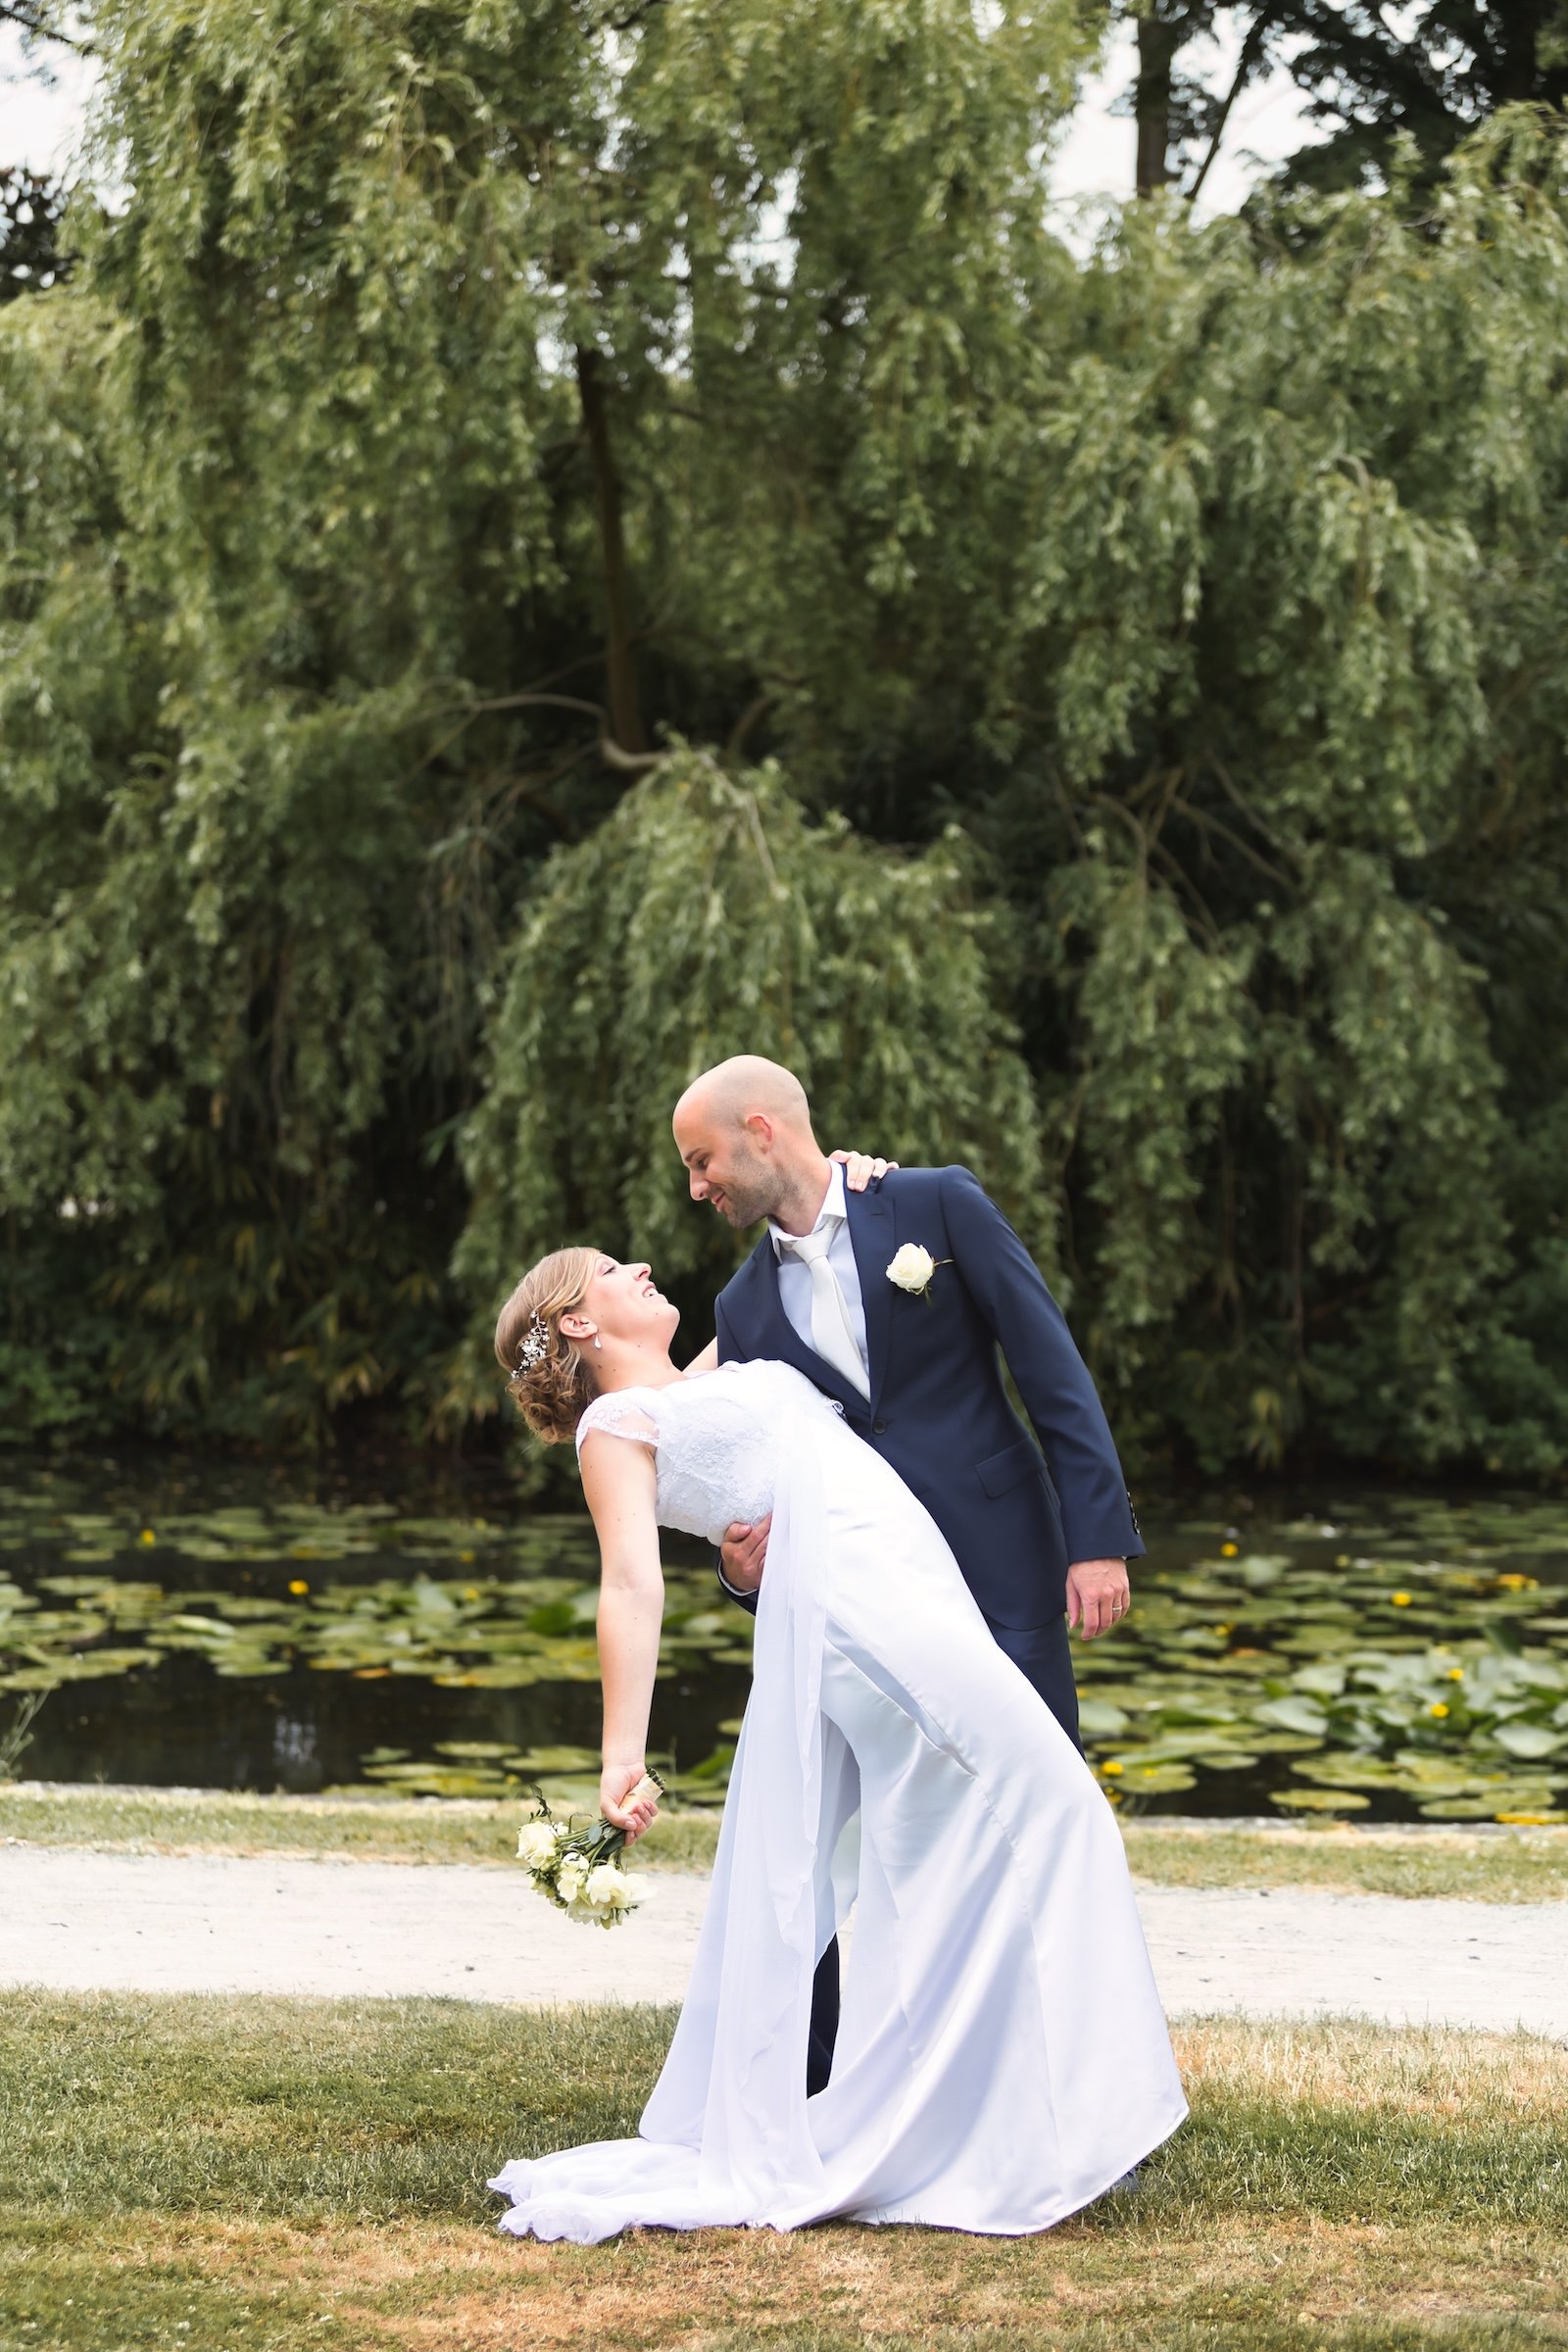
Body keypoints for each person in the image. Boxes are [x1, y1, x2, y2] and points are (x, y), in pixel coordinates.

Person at [484, 1246, 1185, 2246]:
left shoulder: (714, 1372)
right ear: (577, 1324)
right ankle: (1042, 2126)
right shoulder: (616, 1426)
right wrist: (619, 1759)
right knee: (1055, 1807)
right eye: (607, 1267)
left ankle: (1010, 2122)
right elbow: (631, 1585)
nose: (637, 1264)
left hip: (916, 1599)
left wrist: (852, 1180)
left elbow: (796, 1241)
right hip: (871, 1629)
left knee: (960, 1856)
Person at [672, 1055, 1144, 2091]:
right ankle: (815, 2084)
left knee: (1041, 1817)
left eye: (703, 1161)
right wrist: (741, 1572)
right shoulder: (743, 1309)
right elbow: (744, 1480)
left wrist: (1095, 1538)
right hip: (870, 1607)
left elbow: (1051, 1368)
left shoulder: (935, 1205)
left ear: (761, 1130)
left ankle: (1074, 2087)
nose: (697, 1187)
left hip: (1000, 1563)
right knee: (845, 1836)